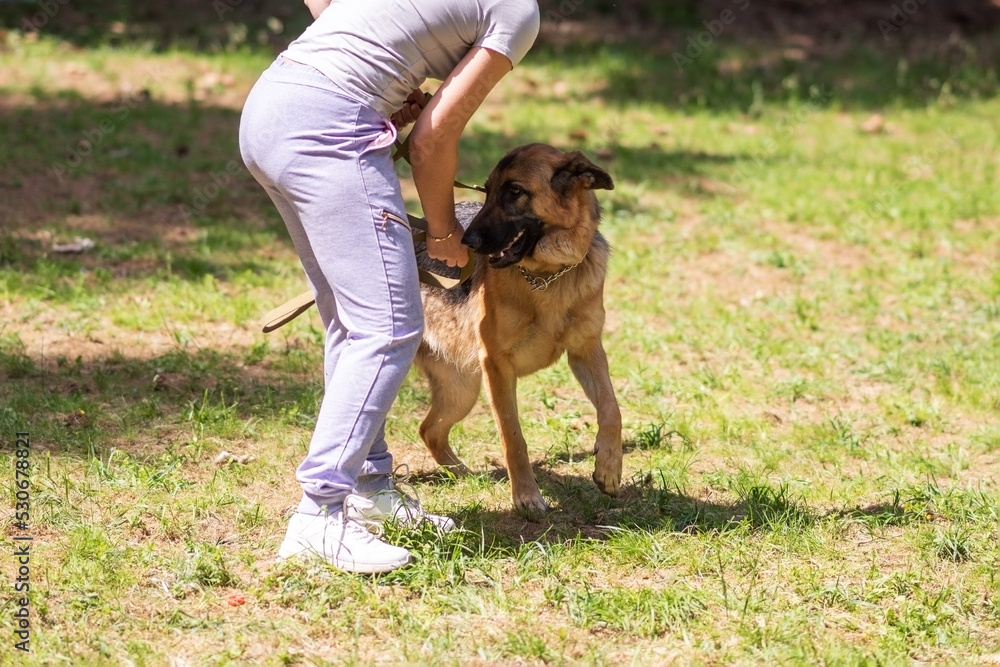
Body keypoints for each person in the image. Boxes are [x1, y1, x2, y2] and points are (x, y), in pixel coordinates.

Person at [239, 0, 540, 573]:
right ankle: (319, 514)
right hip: (329, 128)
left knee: (353, 321)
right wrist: (449, 232)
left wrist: (372, 58)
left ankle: (369, 489)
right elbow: (429, 141)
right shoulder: (516, 12)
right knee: (389, 325)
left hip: (273, 105)